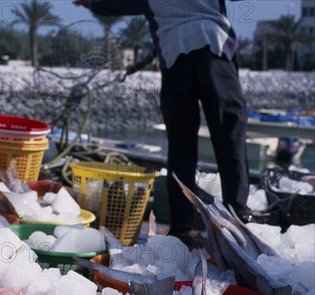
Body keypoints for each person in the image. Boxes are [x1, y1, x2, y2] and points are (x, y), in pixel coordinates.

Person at [74, 0, 252, 243]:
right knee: (230, 134)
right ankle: (237, 217)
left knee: (181, 144)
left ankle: (183, 226)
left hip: (175, 55)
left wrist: (92, 3)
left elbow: (115, 5)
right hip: (214, 48)